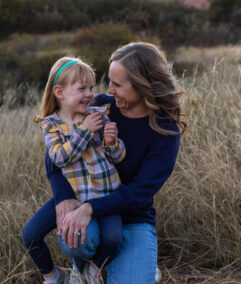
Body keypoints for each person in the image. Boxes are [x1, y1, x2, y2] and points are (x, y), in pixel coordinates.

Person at [49, 42, 186, 283]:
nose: (109, 90)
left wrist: (90, 208)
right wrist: (63, 197)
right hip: (87, 209)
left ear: (143, 86)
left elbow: (139, 193)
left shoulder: (165, 131)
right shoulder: (102, 108)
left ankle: (135, 266)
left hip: (133, 218)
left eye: (118, 84)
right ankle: (83, 266)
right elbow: (56, 152)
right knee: (77, 239)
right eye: (109, 81)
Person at [22, 57, 126, 284]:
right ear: (59, 92)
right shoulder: (51, 125)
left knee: (113, 238)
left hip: (107, 194)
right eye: (82, 89)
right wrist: (85, 131)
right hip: (73, 196)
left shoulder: (98, 114)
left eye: (91, 87)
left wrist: (112, 142)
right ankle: (54, 276)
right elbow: (58, 157)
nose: (90, 94)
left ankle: (93, 270)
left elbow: (117, 157)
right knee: (30, 235)